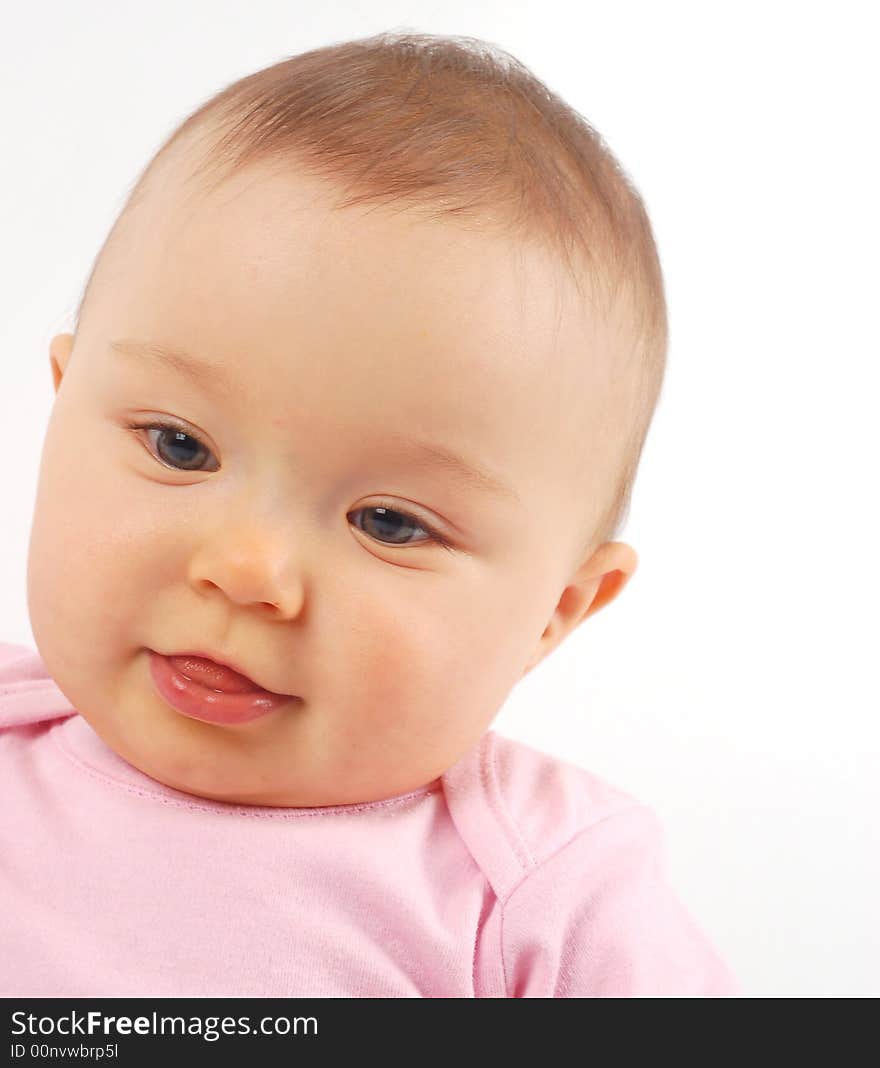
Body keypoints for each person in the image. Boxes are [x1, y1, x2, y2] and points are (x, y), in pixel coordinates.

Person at [0, 30, 739, 997]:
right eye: (180, 446)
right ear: (63, 404)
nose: (247, 569)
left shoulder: (542, 902)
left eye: (389, 522)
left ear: (556, 611)